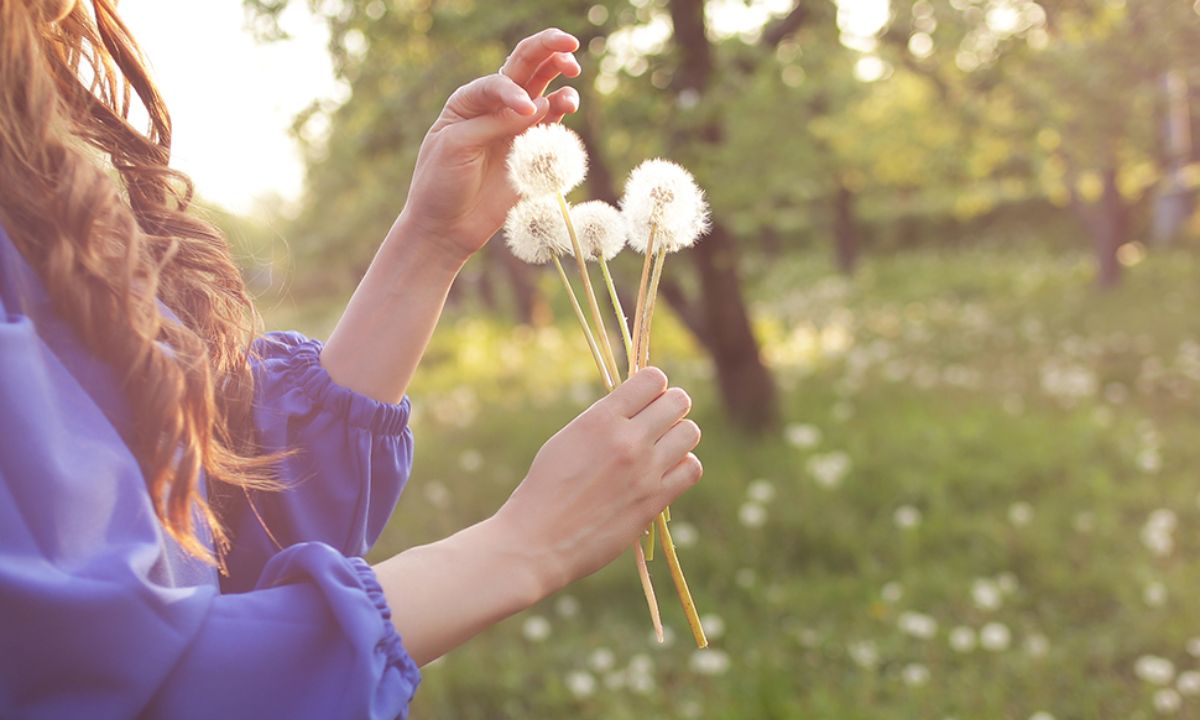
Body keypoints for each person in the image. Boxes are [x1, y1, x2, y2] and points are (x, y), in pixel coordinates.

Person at [0, 1, 704, 718]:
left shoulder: (33, 175)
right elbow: (102, 686)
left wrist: (431, 243)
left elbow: (225, 515)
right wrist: (522, 548)